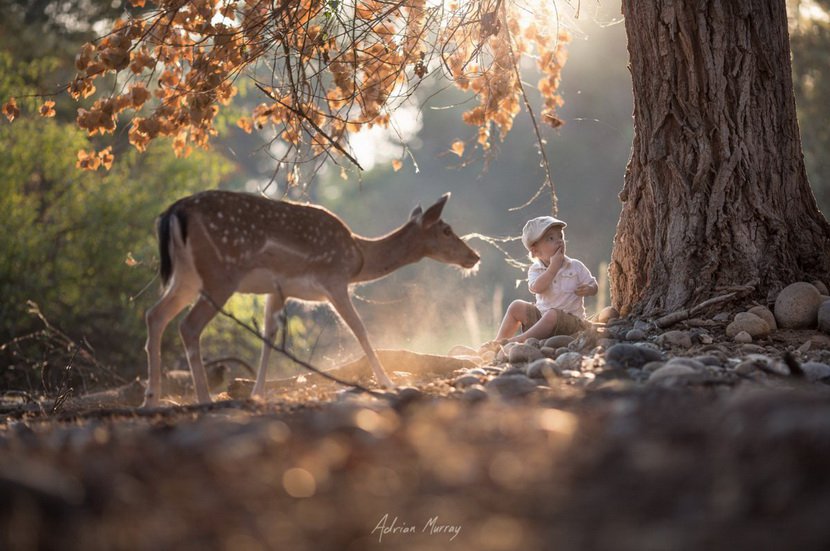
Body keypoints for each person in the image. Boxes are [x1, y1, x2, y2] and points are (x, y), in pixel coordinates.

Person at [494, 215, 598, 343]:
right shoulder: (535, 270)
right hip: (541, 319)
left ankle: (519, 340)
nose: (559, 241)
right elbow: (536, 288)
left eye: (561, 236)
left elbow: (594, 285)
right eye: (551, 238)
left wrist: (590, 289)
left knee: (552, 314)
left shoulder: (575, 266)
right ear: (535, 251)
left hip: (572, 323)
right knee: (516, 306)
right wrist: (553, 267)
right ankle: (498, 343)